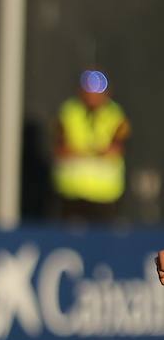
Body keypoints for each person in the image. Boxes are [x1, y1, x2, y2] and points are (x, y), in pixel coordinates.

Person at [53, 69, 130, 224]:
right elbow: (62, 150)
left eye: (97, 92)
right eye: (88, 91)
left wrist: (81, 152)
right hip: (72, 192)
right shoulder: (68, 112)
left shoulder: (116, 116)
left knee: (104, 239)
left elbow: (115, 149)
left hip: (105, 194)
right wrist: (96, 153)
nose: (92, 96)